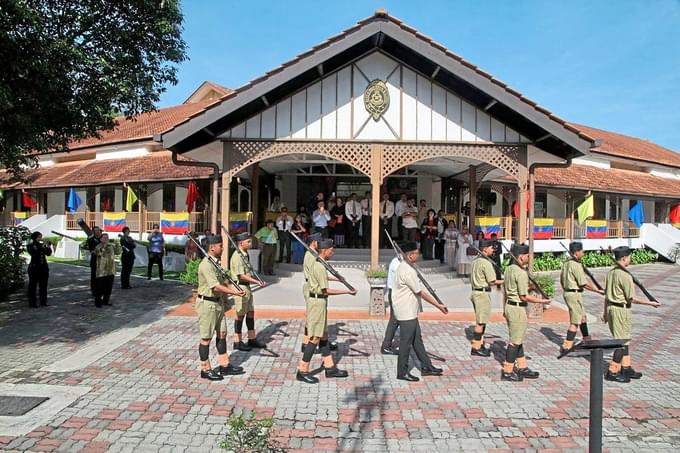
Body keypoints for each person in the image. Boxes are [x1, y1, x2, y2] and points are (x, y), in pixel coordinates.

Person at [296, 239, 356, 384]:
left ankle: (330, 368)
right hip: (317, 302)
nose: (332, 252)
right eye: (331, 249)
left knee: (323, 336)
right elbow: (325, 290)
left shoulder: (320, 264)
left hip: (319, 302)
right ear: (324, 250)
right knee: (315, 338)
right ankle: (302, 370)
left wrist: (338, 279)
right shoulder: (319, 266)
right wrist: (346, 292)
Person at [603, 246, 660, 383]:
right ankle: (612, 371)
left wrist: (605, 312)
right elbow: (631, 298)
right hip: (621, 309)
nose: (630, 259)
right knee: (621, 342)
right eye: (629, 256)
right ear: (624, 258)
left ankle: (626, 367)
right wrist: (649, 303)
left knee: (625, 339)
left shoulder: (611, 273)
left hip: (612, 308)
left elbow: (606, 295)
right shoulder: (625, 275)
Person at [393, 241, 448, 381]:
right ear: (410, 255)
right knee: (405, 343)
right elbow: (420, 292)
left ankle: (426, 366)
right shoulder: (407, 270)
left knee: (417, 340)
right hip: (406, 311)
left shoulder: (406, 266)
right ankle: (402, 372)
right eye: (416, 253)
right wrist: (438, 305)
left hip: (409, 310)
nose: (418, 255)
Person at [196, 235, 247, 381]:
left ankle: (224, 365)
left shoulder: (216, 263)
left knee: (222, 334)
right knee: (206, 338)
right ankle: (205, 369)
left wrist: (229, 279)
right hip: (207, 304)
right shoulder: (206, 265)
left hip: (218, 304)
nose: (223, 248)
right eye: (220, 246)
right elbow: (215, 286)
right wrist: (235, 292)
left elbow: (224, 280)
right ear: (212, 248)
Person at [501, 244, 551, 382]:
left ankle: (522, 366)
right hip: (517, 308)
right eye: (528, 255)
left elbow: (508, 289)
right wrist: (542, 302)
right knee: (515, 341)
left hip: (509, 306)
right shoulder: (521, 273)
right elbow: (524, 296)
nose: (529, 258)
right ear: (521, 257)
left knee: (518, 337)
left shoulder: (509, 269)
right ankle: (507, 370)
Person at [560, 241, 604, 353]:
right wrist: (598, 291)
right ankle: (566, 346)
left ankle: (587, 340)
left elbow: (561, 280)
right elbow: (583, 283)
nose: (583, 253)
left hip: (570, 293)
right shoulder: (576, 265)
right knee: (575, 321)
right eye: (581, 251)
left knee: (582, 317)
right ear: (576, 253)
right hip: (574, 294)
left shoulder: (566, 263)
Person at [230, 232, 268, 351]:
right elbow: (240, 275)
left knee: (250, 312)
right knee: (240, 314)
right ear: (241, 243)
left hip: (247, 288)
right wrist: (256, 282)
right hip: (240, 287)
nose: (250, 243)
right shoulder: (237, 256)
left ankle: (252, 339)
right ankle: (237, 341)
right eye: (248, 242)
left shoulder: (244, 254)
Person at [469, 239, 503, 356]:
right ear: (485, 249)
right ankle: (476, 347)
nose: (492, 249)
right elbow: (492, 281)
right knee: (481, 322)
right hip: (482, 294)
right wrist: (506, 281)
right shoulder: (486, 263)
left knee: (481, 320)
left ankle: (480, 343)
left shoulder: (475, 261)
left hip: (475, 292)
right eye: (491, 247)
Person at [380, 250, 402, 355]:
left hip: (396, 293)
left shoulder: (399, 261)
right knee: (394, 321)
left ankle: (387, 344)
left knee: (397, 320)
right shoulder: (397, 263)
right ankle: (386, 346)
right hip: (396, 293)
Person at [27, 232, 51, 307]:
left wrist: (47, 246)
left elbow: (48, 253)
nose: (40, 239)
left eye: (41, 237)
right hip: (34, 268)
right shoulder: (30, 246)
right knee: (32, 286)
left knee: (43, 286)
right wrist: (42, 247)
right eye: (39, 237)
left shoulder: (41, 245)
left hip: (43, 268)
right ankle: (32, 303)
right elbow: (34, 253)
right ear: (35, 237)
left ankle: (43, 301)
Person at [94, 233, 116, 307]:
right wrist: (105, 245)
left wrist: (117, 245)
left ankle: (106, 301)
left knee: (108, 288)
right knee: (100, 288)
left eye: (107, 238)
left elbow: (118, 252)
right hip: (101, 271)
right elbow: (100, 253)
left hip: (111, 270)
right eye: (104, 238)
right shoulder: (98, 247)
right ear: (100, 239)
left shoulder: (111, 246)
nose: (106, 239)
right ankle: (98, 302)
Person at [86, 226, 103, 294]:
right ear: (93, 231)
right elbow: (91, 249)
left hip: (102, 260)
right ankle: (94, 290)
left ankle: (100, 290)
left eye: (98, 230)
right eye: (95, 230)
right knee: (94, 276)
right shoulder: (91, 239)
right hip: (94, 260)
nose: (97, 231)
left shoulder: (102, 238)